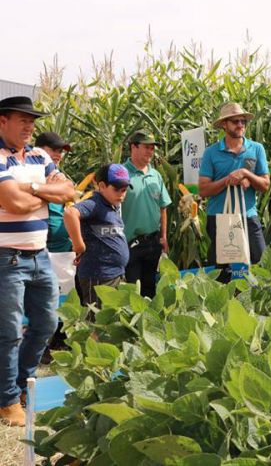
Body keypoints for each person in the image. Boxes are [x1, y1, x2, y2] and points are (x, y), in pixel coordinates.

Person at [0, 97, 74, 427]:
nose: (30, 126)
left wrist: (30, 188)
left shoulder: (39, 155)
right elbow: (12, 203)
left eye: (32, 120)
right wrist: (43, 191)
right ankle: (7, 401)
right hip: (7, 257)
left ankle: (22, 386)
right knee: (9, 332)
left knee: (45, 324)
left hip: (39, 256)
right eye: (22, 120)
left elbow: (69, 190)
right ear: (2, 121)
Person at [199, 103, 270, 280]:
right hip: (219, 217)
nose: (240, 125)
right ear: (224, 125)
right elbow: (203, 190)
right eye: (235, 121)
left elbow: (265, 184)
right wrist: (228, 180)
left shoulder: (256, 148)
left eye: (243, 121)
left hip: (248, 215)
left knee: (261, 264)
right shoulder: (211, 153)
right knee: (222, 271)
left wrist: (246, 174)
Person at [64, 164, 131, 304]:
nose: (121, 194)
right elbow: (70, 213)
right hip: (99, 278)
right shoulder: (95, 204)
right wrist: (79, 245)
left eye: (124, 190)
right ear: (102, 186)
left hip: (115, 274)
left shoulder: (112, 206)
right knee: (97, 322)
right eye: (117, 189)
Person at [121, 130, 172, 298]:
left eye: (152, 148)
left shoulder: (155, 175)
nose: (151, 152)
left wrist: (163, 237)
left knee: (150, 288)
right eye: (147, 147)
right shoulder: (122, 174)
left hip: (153, 242)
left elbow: (163, 207)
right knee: (132, 291)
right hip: (130, 244)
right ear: (133, 147)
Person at [34, 132, 73, 253]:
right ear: (38, 150)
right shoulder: (31, 175)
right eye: (54, 150)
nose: (58, 155)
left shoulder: (60, 177)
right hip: (38, 249)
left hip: (62, 249)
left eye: (60, 151)